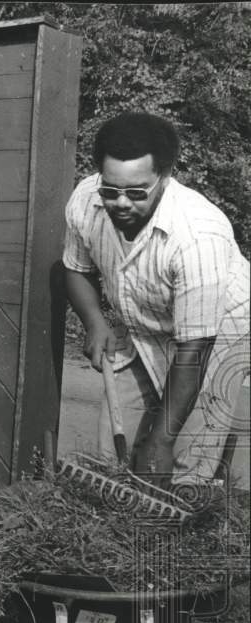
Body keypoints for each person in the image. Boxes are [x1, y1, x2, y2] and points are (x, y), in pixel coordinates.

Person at [63, 112, 250, 486]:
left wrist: (163, 439)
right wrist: (95, 322)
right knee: (113, 457)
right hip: (143, 319)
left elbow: (195, 348)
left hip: (217, 331)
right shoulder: (86, 199)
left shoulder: (198, 234)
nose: (120, 203)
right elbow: (76, 267)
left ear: (164, 176)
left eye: (136, 193)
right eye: (111, 189)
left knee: (182, 458)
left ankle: (197, 502)